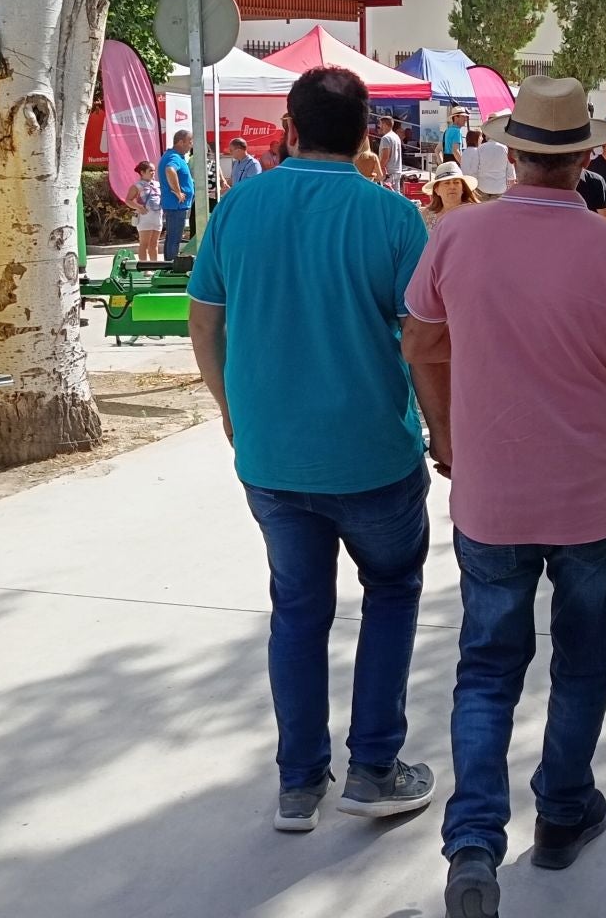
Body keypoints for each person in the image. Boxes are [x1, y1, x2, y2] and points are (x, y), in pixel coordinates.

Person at [402, 77, 606, 917]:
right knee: (583, 662)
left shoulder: (457, 234)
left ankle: (474, 844)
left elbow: (419, 340)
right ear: (587, 158)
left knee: (486, 669)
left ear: (511, 153)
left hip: (491, 492)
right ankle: (560, 814)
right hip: (593, 492)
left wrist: (445, 432)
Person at [187, 66, 439, 836]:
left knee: (297, 611)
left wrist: (231, 410)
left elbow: (204, 322)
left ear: (289, 130)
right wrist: (445, 432)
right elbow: (426, 344)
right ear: (368, 133)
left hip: (271, 455)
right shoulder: (394, 218)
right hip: (373, 454)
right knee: (391, 593)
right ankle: (373, 768)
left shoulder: (240, 208)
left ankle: (299, 784)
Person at [159, 129, 195, 261]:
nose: (191, 145)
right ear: (180, 142)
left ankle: (169, 263)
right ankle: (171, 264)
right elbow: (170, 170)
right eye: (189, 142)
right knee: (174, 238)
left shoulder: (175, 156)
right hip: (176, 205)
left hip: (176, 205)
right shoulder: (173, 157)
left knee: (172, 237)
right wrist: (178, 191)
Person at [123, 159, 165, 262]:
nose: (153, 173)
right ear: (142, 172)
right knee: (144, 243)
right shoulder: (137, 186)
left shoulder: (158, 184)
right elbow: (128, 200)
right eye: (150, 170)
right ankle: (145, 268)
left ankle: (154, 266)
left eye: (154, 170)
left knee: (154, 244)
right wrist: (139, 207)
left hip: (157, 216)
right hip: (145, 218)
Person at [424, 159, 481, 230]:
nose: (452, 187)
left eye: (456, 182)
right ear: (437, 190)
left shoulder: (475, 213)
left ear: (463, 188)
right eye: (447, 183)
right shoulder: (427, 215)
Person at [377, 115, 404, 191]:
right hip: (397, 171)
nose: (379, 127)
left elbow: (385, 157)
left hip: (388, 174)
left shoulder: (386, 138)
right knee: (396, 196)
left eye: (380, 124)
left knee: (387, 198)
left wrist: (378, 170)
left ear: (385, 125)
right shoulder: (396, 136)